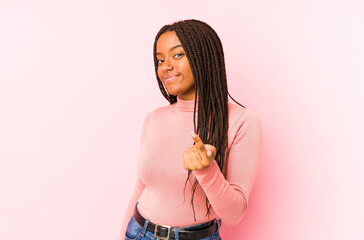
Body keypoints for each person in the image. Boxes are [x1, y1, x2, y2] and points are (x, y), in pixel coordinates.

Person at [118, 19, 263, 240]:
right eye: (160, 59)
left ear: (203, 57)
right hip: (138, 232)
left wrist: (207, 170)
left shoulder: (242, 121)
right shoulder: (154, 118)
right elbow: (140, 189)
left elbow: (234, 215)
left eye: (177, 55)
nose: (165, 66)